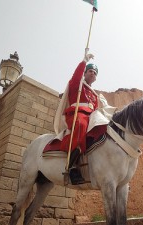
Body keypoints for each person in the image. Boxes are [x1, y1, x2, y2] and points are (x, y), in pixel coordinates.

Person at [59, 48, 99, 185]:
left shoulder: (94, 94)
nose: (92, 73)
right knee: (81, 125)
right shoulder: (77, 84)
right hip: (77, 114)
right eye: (90, 71)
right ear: (85, 73)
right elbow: (76, 76)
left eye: (94, 73)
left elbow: (97, 109)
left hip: (91, 116)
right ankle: (71, 167)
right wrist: (84, 61)